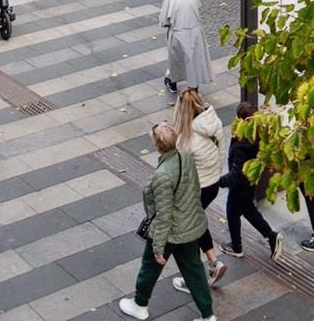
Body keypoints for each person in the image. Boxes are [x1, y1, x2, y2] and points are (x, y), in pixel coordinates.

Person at [118, 122, 215, 321]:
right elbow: (194, 188)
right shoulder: (186, 156)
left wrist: (158, 247)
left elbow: (163, 215)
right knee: (194, 268)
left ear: (157, 145)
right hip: (189, 226)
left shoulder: (162, 176)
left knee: (150, 268)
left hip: (170, 231)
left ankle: (139, 304)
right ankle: (208, 315)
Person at [169, 89, 229, 292]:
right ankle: (213, 261)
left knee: (189, 231)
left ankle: (193, 278)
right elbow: (221, 151)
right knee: (198, 220)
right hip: (212, 183)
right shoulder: (214, 122)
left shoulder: (186, 139)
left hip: (197, 188)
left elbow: (179, 172)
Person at [219, 100, 279, 259]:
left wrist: (220, 182)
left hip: (240, 185)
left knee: (232, 213)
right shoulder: (257, 135)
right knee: (249, 211)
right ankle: (272, 236)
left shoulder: (240, 144)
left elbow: (237, 172)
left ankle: (236, 246)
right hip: (250, 181)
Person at [160, 0, 211, 96]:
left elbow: (164, 20)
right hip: (195, 32)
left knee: (177, 59)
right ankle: (194, 85)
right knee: (194, 58)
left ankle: (172, 81)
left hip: (178, 32)